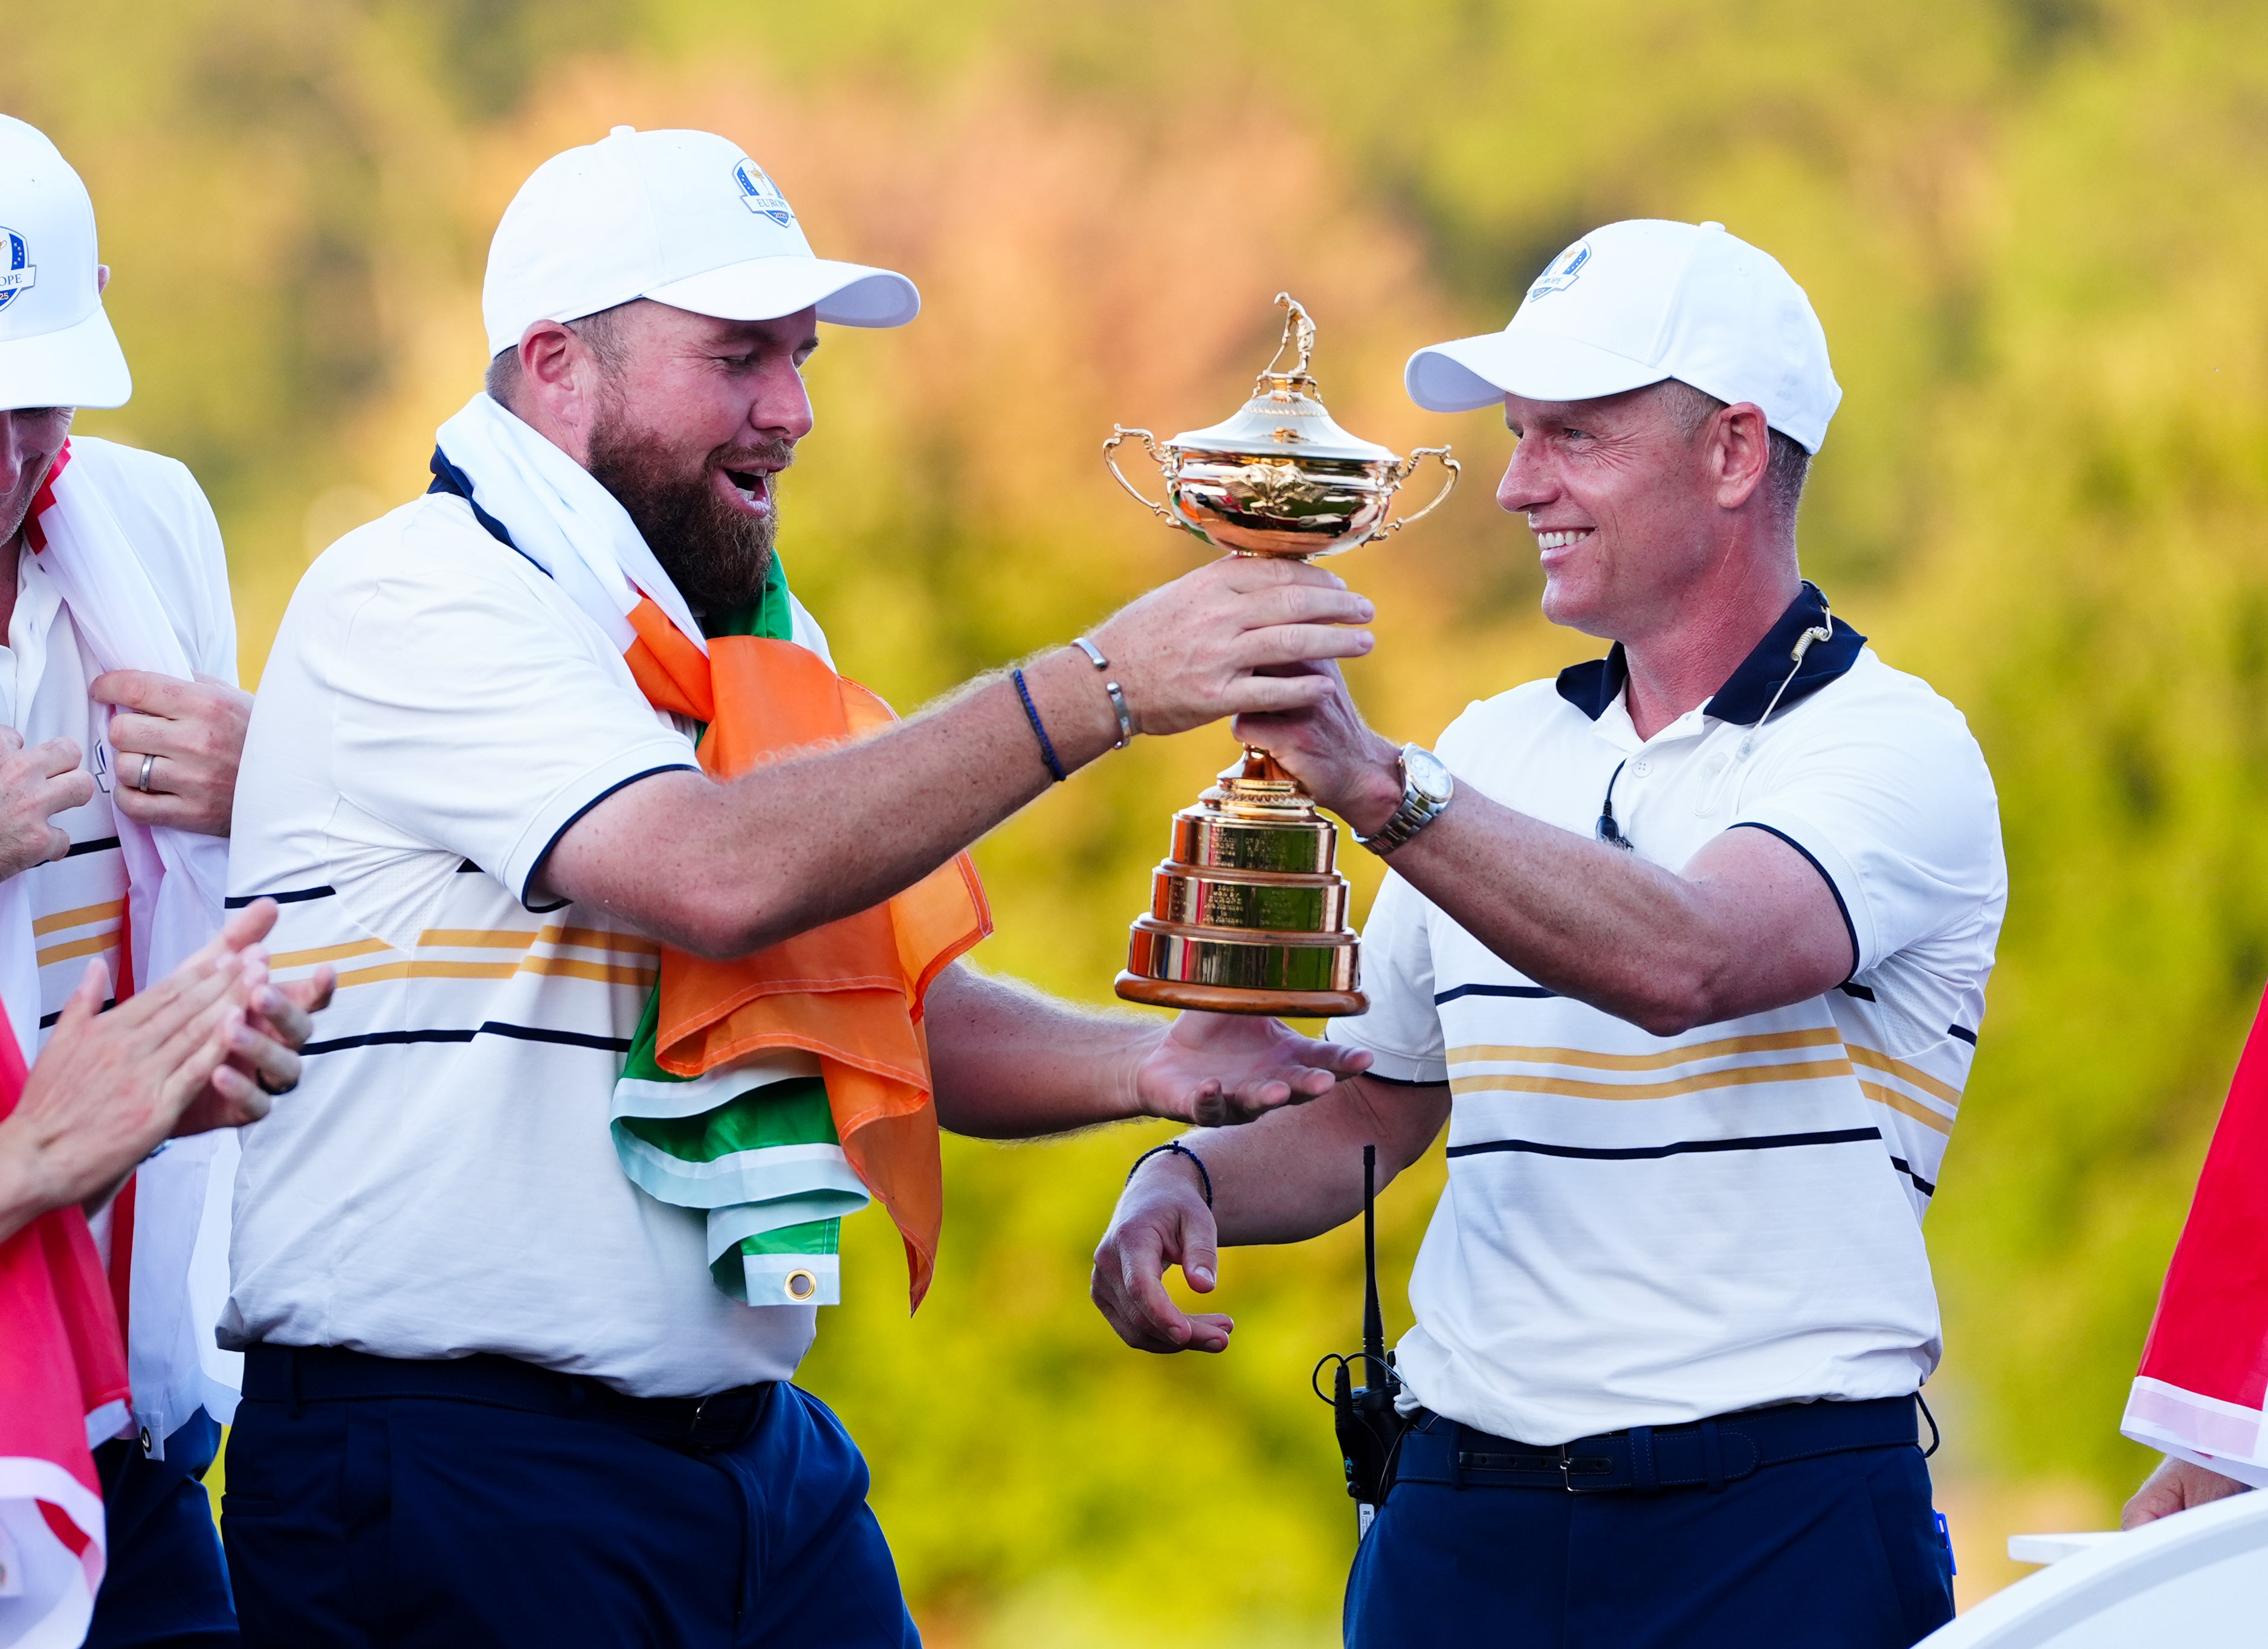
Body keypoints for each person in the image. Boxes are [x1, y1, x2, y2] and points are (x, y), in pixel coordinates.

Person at [216, 124, 1377, 1647]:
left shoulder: (745, 633)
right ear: (558, 363)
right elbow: (718, 877)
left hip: (749, 1465)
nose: (795, 409)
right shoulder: (417, 590)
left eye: (802, 357)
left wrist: (1150, 1063)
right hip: (458, 1466)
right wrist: (1102, 684)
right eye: (740, 356)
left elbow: (874, 1007)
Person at [1093, 219, 2009, 1648]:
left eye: (1571, 437)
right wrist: (1184, 1180)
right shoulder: (1492, 749)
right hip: (1461, 1518)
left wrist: (1378, 787)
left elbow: (1687, 958)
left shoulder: (1895, 746)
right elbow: (1385, 1108)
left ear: (1731, 454)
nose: (1518, 485)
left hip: (1779, 1523)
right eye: (1519, 437)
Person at [0, 114, 333, 1648]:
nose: (9, 459)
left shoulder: (152, 515)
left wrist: (272, 779)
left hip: (134, 1378)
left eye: (34, 403)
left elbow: (262, 884)